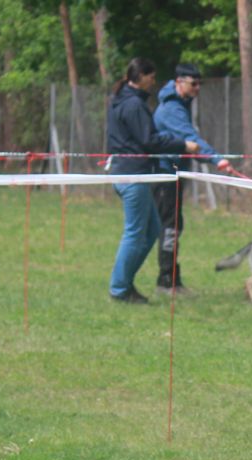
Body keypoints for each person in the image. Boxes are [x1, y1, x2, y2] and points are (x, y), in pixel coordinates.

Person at [105, 57, 199, 303]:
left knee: (153, 229)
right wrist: (182, 144)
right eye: (151, 77)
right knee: (135, 233)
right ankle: (119, 289)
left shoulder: (124, 101)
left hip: (133, 173)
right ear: (142, 77)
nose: (154, 82)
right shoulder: (133, 105)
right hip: (132, 174)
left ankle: (124, 283)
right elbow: (150, 140)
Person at [152, 63, 233, 296]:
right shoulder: (172, 109)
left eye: (200, 83)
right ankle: (166, 282)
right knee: (170, 227)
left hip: (175, 171)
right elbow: (190, 139)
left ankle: (172, 280)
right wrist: (217, 160)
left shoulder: (181, 103)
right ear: (179, 82)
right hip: (165, 173)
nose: (198, 88)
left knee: (175, 225)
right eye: (193, 83)